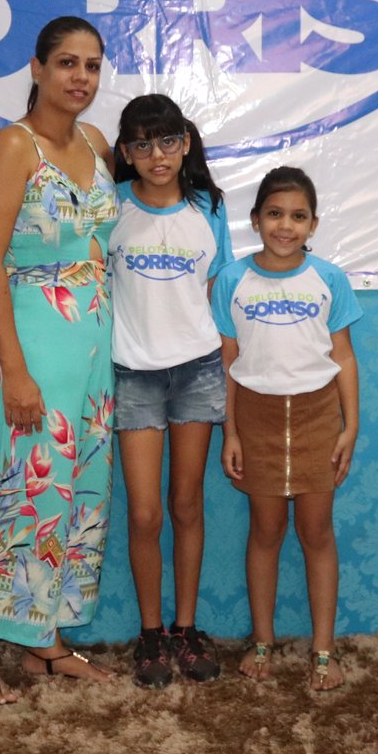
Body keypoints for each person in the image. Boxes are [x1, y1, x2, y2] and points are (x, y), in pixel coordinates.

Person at [0, 17, 120, 705]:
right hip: (37, 345)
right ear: (38, 68)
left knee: (81, 495)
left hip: (95, 347)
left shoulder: (98, 143)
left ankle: (42, 639)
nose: (81, 77)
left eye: (92, 65)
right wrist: (14, 369)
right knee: (31, 497)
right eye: (68, 63)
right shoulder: (12, 146)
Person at [210, 166, 361, 691]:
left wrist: (351, 427)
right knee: (266, 531)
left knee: (317, 532)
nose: (285, 226)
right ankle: (262, 640)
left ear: (313, 225)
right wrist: (230, 431)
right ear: (255, 220)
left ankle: (323, 649)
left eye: (298, 216)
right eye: (274, 214)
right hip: (256, 419)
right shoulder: (232, 280)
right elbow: (227, 363)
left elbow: (344, 355)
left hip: (319, 417)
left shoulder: (329, 279)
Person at [108, 94, 232, 688]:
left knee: (187, 504)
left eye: (166, 141)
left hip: (198, 372)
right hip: (134, 373)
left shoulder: (209, 207)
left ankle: (184, 628)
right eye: (141, 144)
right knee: (144, 512)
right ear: (126, 152)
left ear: (185, 144)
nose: (156, 155)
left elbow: (213, 296)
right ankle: (151, 633)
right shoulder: (110, 205)